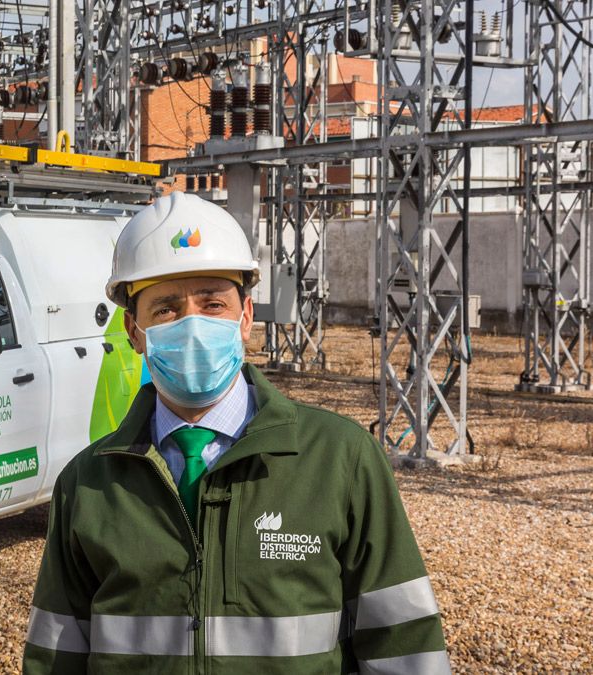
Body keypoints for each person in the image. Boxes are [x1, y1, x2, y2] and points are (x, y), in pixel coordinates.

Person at [22, 192, 449, 674]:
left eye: (213, 304)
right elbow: (55, 659)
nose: (193, 325)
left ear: (245, 317)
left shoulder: (341, 461)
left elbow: (405, 648)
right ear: (133, 332)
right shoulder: (87, 486)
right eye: (165, 309)